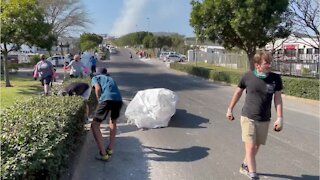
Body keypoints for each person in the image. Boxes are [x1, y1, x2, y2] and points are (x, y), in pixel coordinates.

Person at [226, 51, 283, 180]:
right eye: (266, 63)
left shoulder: (275, 78)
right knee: (251, 147)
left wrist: (280, 118)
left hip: (264, 119)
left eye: (270, 62)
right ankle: (253, 175)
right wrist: (230, 109)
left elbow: (278, 99)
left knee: (256, 146)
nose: (269, 65)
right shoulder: (248, 77)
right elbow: (238, 93)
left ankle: (245, 165)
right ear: (257, 65)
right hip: (248, 117)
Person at [91, 67, 123, 161]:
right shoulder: (110, 78)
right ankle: (110, 149)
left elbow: (97, 88)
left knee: (95, 125)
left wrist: (99, 101)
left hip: (106, 99)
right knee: (113, 121)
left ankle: (103, 154)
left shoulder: (96, 78)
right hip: (118, 100)